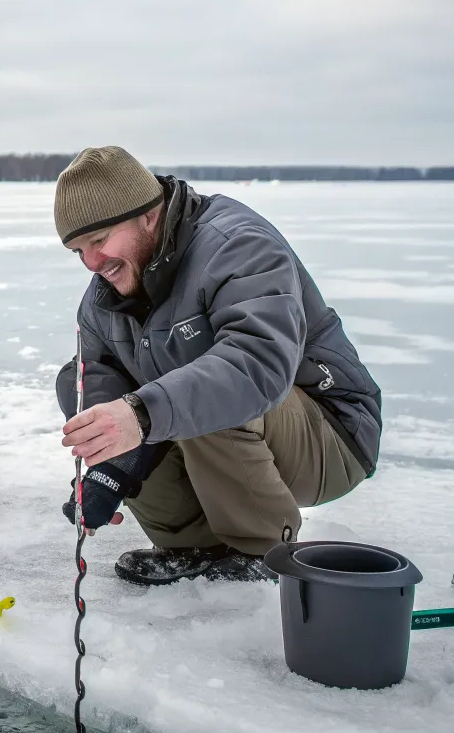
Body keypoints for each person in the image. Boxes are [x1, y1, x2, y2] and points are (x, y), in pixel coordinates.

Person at [55, 147, 381, 585]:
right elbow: (92, 370)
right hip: (241, 437)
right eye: (78, 251)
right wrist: (113, 465)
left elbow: (257, 364)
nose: (92, 264)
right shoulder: (104, 294)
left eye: (99, 241)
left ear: (148, 215)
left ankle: (262, 551)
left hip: (331, 436)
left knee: (201, 385)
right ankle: (193, 546)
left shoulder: (238, 245)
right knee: (96, 393)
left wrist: (141, 414)